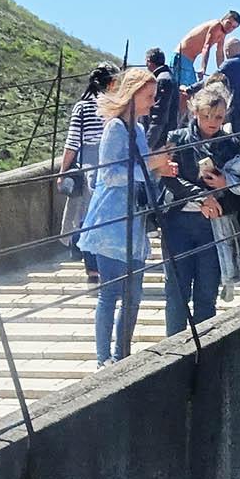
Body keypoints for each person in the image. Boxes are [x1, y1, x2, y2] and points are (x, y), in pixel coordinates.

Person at [77, 68, 176, 363]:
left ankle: (122, 355)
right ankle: (103, 357)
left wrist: (158, 169)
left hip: (133, 221)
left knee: (133, 296)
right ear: (132, 96)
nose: (153, 102)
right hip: (111, 221)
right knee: (110, 293)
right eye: (149, 96)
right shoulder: (115, 128)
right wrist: (150, 166)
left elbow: (141, 172)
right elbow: (109, 173)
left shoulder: (140, 130)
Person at [157, 82, 238, 336]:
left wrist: (224, 191)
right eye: (206, 116)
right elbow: (168, 176)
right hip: (177, 223)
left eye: (218, 117)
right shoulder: (176, 139)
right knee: (177, 293)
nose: (212, 122)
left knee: (206, 293)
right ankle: (174, 351)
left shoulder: (231, 145)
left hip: (212, 227)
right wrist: (202, 196)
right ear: (195, 113)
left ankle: (204, 351)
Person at [57, 65, 114, 280]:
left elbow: (72, 142)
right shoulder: (115, 107)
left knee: (87, 215)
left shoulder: (82, 107)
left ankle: (91, 267)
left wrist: (63, 171)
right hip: (112, 163)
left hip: (90, 166)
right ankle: (106, 263)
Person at [175, 9, 240, 86]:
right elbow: (206, 46)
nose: (230, 28)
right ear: (223, 19)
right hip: (181, 57)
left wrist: (223, 73)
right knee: (183, 90)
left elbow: (219, 53)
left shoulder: (223, 33)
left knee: (192, 91)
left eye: (233, 27)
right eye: (228, 23)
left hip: (189, 61)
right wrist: (203, 68)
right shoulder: (216, 25)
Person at [142, 46, 182, 152]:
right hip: (164, 137)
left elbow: (158, 116)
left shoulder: (162, 80)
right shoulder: (169, 77)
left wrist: (148, 145)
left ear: (149, 62)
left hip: (159, 141)